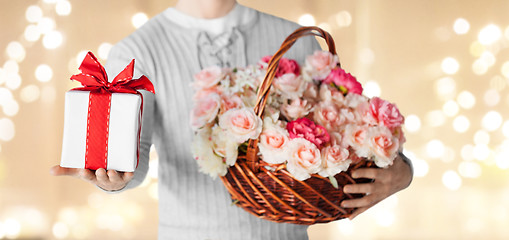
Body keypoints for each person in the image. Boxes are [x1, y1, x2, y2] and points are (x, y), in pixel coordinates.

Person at [51, 0, 414, 239]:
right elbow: (135, 159)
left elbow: (345, 138)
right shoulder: (137, 50)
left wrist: (403, 172)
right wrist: (112, 181)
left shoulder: (298, 42)